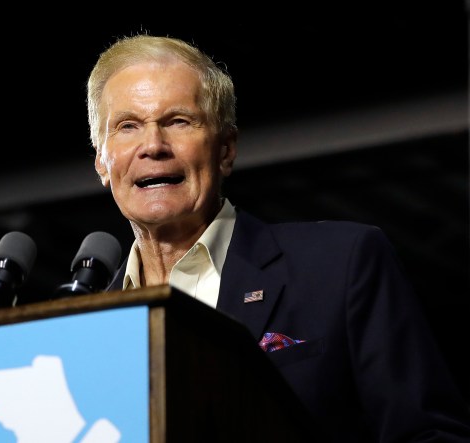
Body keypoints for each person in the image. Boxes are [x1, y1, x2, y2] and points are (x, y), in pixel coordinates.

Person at [87, 33, 470, 442]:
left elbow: (432, 436)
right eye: (127, 126)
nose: (153, 146)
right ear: (102, 165)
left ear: (226, 150)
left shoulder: (340, 264)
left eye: (178, 121)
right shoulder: (82, 330)